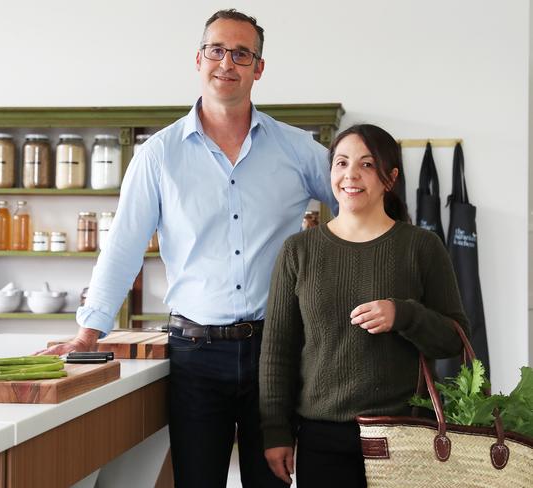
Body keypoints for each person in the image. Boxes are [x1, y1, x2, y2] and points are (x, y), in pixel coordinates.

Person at [38, 8, 336, 488]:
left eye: (242, 53)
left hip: (276, 351)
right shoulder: (158, 154)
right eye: (217, 50)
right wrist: (88, 333)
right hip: (195, 355)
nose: (227, 62)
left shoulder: (298, 149)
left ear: (258, 68)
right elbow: (123, 245)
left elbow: (356, 205)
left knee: (274, 483)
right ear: (198, 59)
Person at [259, 124, 470, 487]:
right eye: (341, 163)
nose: (350, 175)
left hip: (405, 438)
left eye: (367, 165)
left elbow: (455, 339)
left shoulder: (422, 247)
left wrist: (403, 314)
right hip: (320, 439)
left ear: (391, 178)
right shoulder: (298, 251)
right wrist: (276, 431)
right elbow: (278, 350)